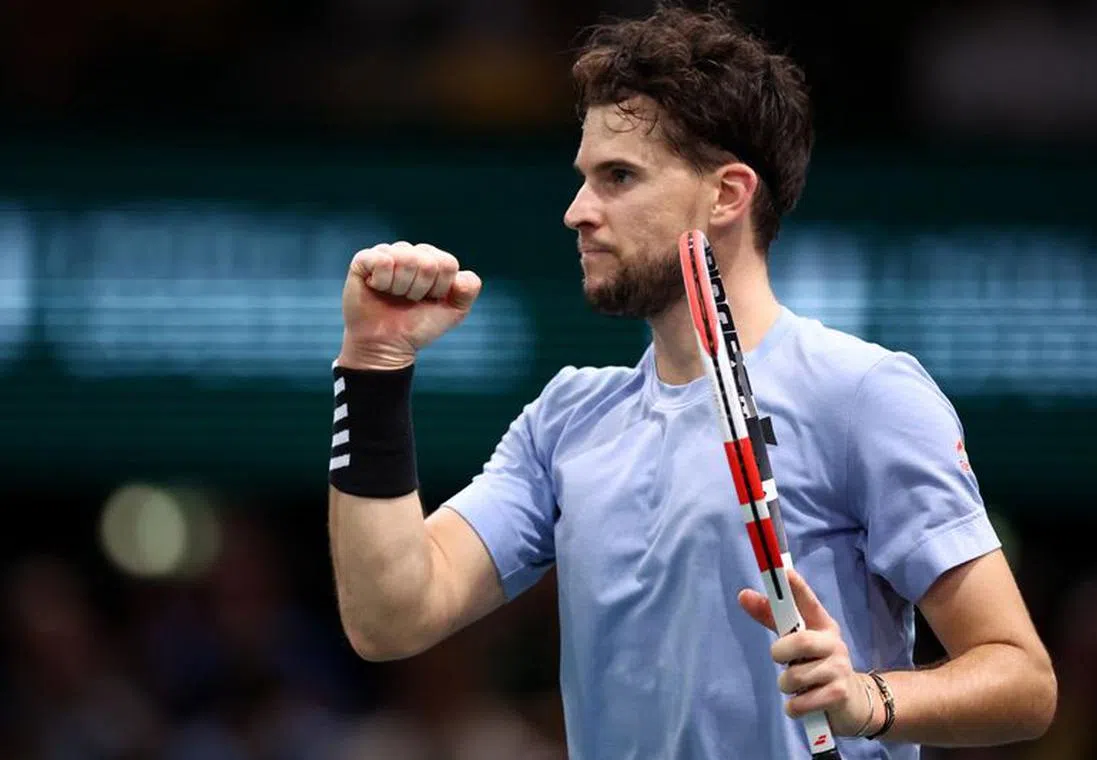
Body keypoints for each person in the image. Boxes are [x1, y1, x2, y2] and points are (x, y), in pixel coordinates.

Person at [325, 5, 1057, 759]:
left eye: (618, 177)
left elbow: (1022, 681)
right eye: (584, 179)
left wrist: (868, 700)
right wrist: (374, 366)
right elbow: (390, 617)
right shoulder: (565, 420)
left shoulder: (863, 397)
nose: (577, 212)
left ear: (728, 194)